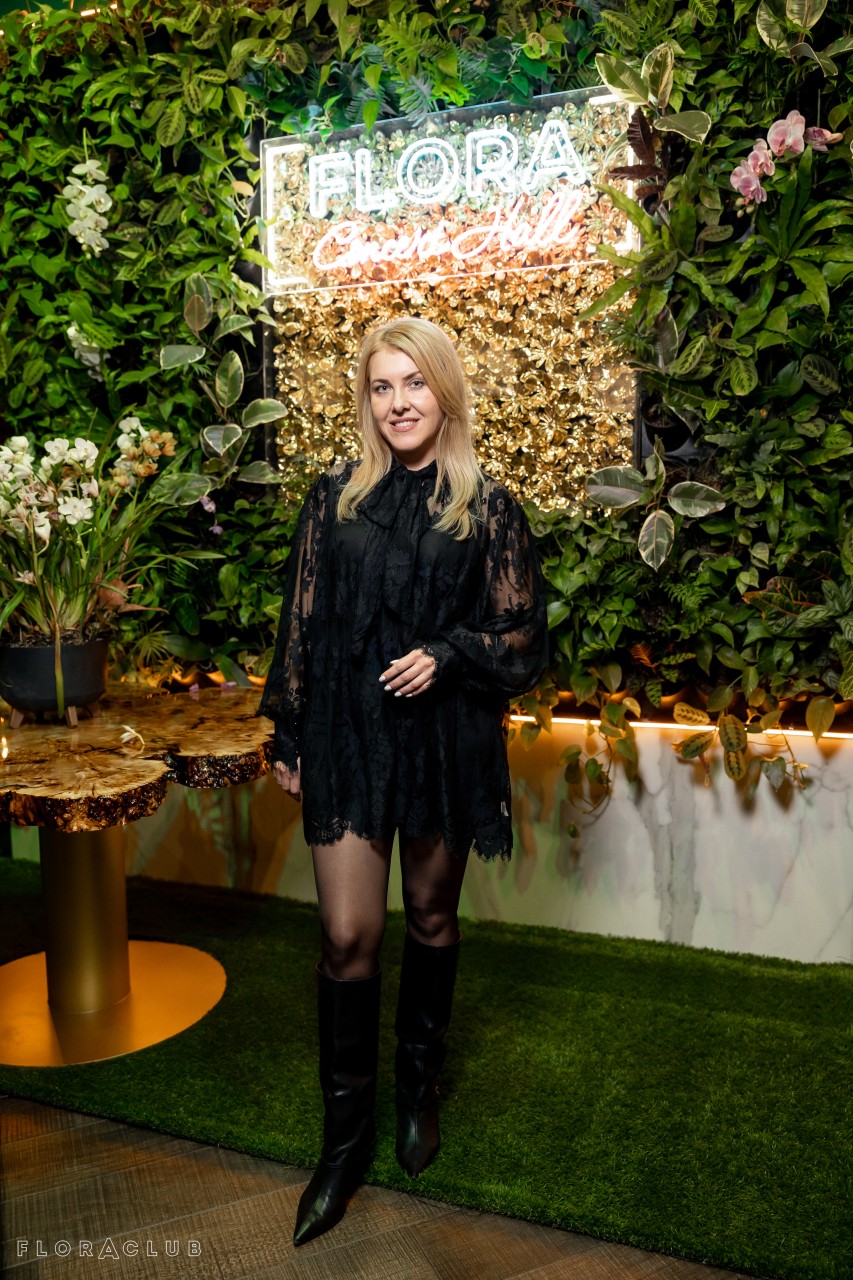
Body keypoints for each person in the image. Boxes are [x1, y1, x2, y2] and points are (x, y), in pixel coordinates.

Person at [255, 317, 548, 1247]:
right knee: (347, 934)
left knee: (428, 916)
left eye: (413, 384)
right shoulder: (333, 497)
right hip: (347, 735)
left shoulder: (487, 507)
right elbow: (302, 619)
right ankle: (342, 1149)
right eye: (381, 387)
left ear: (444, 392)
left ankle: (418, 1090)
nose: (398, 403)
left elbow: (522, 636)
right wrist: (290, 729)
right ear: (366, 400)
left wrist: (447, 653)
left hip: (439, 743)